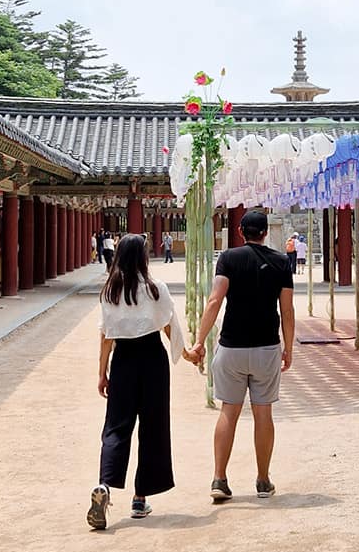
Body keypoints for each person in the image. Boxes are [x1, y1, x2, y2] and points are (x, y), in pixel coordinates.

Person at [188, 208, 294, 503]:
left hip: (232, 346)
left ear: (240, 232)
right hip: (266, 347)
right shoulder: (281, 262)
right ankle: (262, 480)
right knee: (263, 413)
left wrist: (199, 341)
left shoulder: (229, 259)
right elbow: (287, 310)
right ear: (265, 233)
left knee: (228, 411)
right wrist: (290, 348)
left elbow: (214, 300)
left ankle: (219, 479)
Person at [89, 234, 191, 530]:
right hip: (152, 360)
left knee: (116, 427)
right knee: (152, 427)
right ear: (144, 257)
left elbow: (105, 335)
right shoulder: (155, 288)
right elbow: (170, 326)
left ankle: (105, 486)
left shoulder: (110, 291)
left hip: (123, 361)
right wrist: (187, 354)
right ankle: (139, 496)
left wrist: (102, 372)